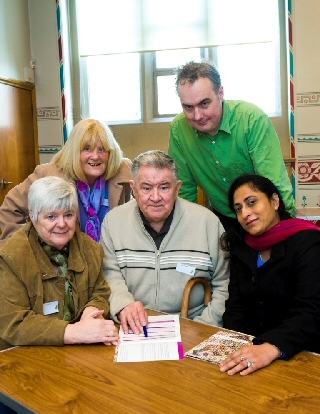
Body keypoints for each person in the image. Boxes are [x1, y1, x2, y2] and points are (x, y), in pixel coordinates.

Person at [100, 150, 229, 335]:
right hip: (133, 328)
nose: (155, 197)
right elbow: (109, 274)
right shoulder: (113, 222)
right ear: (133, 189)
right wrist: (123, 306)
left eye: (164, 187)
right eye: (146, 188)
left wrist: (203, 327)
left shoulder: (207, 223)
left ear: (177, 189)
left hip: (193, 327)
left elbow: (224, 284)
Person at [168, 60, 295, 230]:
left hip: (265, 218)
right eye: (188, 107)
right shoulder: (179, 129)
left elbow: (274, 184)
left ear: (220, 93)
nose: (197, 116)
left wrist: (288, 228)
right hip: (224, 219)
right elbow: (184, 192)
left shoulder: (251, 120)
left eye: (204, 103)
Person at [0, 176, 119, 351]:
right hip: (24, 355)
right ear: (33, 217)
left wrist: (92, 311)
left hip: (77, 353)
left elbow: (99, 291)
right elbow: (12, 322)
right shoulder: (12, 257)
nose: (62, 224)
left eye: (68, 215)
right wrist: (73, 332)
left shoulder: (90, 249)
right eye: (51, 216)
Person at [219, 174, 320, 376]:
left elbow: (311, 311)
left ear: (275, 201)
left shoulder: (308, 242)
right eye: (238, 209)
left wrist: (271, 347)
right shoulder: (242, 247)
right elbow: (236, 307)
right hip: (252, 354)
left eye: (252, 202)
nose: (245, 213)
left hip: (301, 352)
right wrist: (232, 345)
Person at [0, 119, 132, 246]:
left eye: (102, 149)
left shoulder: (124, 173)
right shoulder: (47, 174)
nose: (95, 156)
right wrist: (23, 246)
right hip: (65, 261)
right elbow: (10, 208)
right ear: (75, 151)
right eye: (87, 149)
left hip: (111, 258)